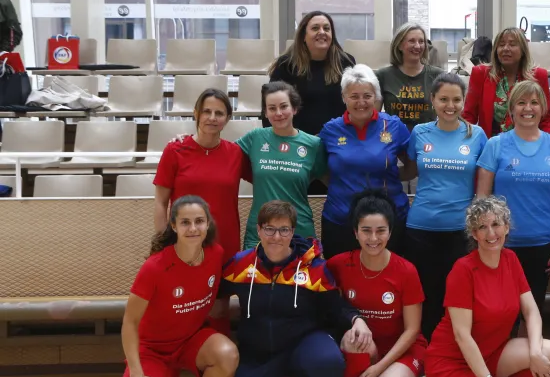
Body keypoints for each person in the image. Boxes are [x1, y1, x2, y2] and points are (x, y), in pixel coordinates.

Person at [399, 197, 550, 377]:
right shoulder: (463, 270)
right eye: (482, 227)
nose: (491, 233)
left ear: (507, 227)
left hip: (491, 355)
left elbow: (531, 311)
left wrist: (533, 351)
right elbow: (462, 336)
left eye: (496, 224)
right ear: (474, 234)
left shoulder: (510, 259)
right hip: (451, 363)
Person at [218, 201, 371, 377]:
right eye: (269, 229)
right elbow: (211, 294)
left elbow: (336, 306)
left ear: (292, 232)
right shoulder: (240, 264)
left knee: (329, 360)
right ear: (258, 230)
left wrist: (357, 320)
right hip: (257, 355)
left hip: (301, 346)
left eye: (284, 230)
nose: (276, 236)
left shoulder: (313, 267)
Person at [476, 80, 550, 377]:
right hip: (500, 244)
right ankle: (490, 375)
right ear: (511, 108)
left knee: (528, 311)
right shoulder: (496, 145)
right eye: (521, 103)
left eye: (534, 102)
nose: (528, 108)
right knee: (498, 313)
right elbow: (482, 197)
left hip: (542, 243)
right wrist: (484, 238)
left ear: (543, 108)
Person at [120, 196, 239, 377]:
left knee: (228, 354)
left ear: (208, 225)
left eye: (199, 221)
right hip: (152, 348)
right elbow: (129, 323)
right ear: (173, 226)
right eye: (185, 222)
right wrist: (138, 376)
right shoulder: (155, 267)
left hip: (190, 340)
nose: (193, 228)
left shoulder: (215, 254)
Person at [326, 190, 428, 377]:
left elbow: (412, 330)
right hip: (364, 347)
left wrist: (379, 368)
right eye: (366, 230)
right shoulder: (338, 265)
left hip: (402, 349)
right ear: (355, 232)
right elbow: (330, 308)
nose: (373, 238)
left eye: (380, 230)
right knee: (354, 337)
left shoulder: (406, 271)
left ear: (390, 232)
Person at [405, 74, 487, 339]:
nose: (450, 105)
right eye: (443, 99)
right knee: (426, 295)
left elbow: (485, 181)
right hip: (421, 228)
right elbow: (406, 170)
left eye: (456, 99)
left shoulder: (477, 135)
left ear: (464, 101)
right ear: (432, 100)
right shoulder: (419, 133)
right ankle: (426, 355)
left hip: (460, 231)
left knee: (458, 297)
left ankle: (455, 353)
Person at [318, 64, 411, 259]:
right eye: (354, 96)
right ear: (344, 97)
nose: (361, 102)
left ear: (376, 97)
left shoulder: (393, 126)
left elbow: (413, 166)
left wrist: (389, 174)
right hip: (340, 221)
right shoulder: (330, 130)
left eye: (367, 96)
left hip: (388, 221)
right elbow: (321, 170)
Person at [154, 88, 249, 263]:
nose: (212, 117)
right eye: (207, 111)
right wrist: (162, 243)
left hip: (225, 243)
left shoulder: (236, 153)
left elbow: (264, 175)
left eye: (219, 113)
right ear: (196, 113)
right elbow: (160, 202)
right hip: (184, 242)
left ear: (227, 119)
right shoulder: (174, 150)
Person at [237, 82, 327, 248]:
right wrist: (188, 139)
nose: (278, 113)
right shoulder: (255, 138)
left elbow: (330, 180)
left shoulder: (313, 144)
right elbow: (220, 152)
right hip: (260, 230)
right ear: (265, 112)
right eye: (272, 108)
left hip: (299, 230)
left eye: (283, 106)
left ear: (294, 108)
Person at [269, 10, 357, 137]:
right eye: (315, 28)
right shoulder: (286, 64)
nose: (322, 32)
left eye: (326, 28)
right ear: (303, 36)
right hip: (297, 140)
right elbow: (271, 103)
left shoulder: (346, 62)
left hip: (338, 138)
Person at [462, 27, 550, 136]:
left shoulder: (538, 76)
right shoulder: (480, 73)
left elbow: (546, 118)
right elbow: (469, 116)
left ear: (523, 50)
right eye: (501, 45)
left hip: (528, 141)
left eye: (512, 44)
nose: (506, 48)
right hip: (491, 143)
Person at [376, 23, 446, 133]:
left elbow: (448, 113)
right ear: (399, 45)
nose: (417, 46)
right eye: (412, 41)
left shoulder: (439, 75)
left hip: (427, 138)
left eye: (421, 41)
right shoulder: (382, 76)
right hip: (393, 138)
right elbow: (375, 116)